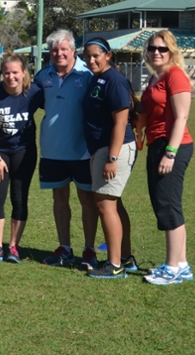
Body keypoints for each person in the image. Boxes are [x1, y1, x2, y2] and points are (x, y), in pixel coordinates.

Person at [34, 29, 99, 270]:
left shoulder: (88, 74)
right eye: (54, 49)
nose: (59, 53)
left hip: (83, 150)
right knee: (59, 199)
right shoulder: (43, 76)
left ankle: (89, 250)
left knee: (87, 200)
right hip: (52, 149)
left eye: (63, 49)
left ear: (73, 51)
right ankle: (65, 248)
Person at [80, 38, 138, 278]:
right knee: (113, 203)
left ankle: (114, 265)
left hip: (115, 149)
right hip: (101, 149)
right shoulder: (98, 78)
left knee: (105, 205)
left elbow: (121, 121)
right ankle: (125, 257)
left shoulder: (113, 79)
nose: (91, 60)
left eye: (96, 55)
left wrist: (112, 158)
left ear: (108, 55)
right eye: (88, 56)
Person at [140, 30, 195, 285]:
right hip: (157, 143)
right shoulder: (155, 77)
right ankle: (181, 264)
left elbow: (182, 117)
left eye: (162, 49)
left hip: (172, 146)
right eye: (152, 48)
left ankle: (172, 268)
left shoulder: (175, 75)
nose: (157, 53)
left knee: (167, 205)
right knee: (166, 203)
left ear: (171, 51)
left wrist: (170, 153)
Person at [0, 55, 43, 264]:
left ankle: (13, 247)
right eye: (7, 72)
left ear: (24, 72)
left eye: (15, 72)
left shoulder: (34, 92)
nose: (11, 77)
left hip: (24, 152)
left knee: (19, 198)